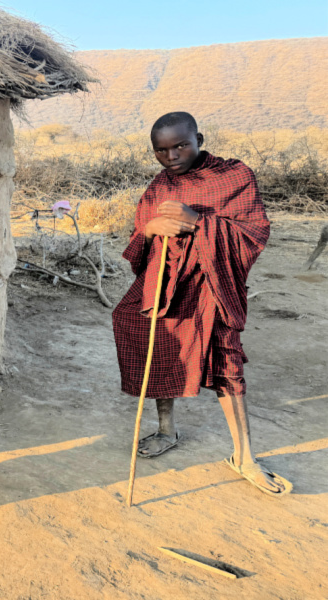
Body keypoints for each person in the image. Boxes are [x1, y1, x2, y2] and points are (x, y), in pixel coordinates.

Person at [112, 112, 291, 496]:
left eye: (180, 145)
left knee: (226, 362)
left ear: (199, 139)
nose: (172, 156)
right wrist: (149, 231)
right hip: (167, 285)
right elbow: (140, 238)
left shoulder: (234, 176)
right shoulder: (158, 187)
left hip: (213, 286)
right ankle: (166, 430)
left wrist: (196, 221)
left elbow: (254, 231)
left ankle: (244, 457)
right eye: (161, 150)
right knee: (159, 349)